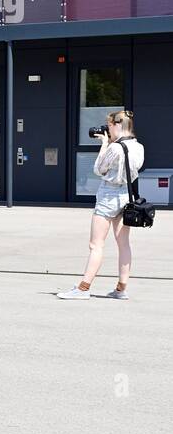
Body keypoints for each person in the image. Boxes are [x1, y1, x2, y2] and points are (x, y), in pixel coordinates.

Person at [58, 111, 144, 300]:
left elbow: (98, 169)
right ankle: (121, 289)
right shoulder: (139, 147)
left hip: (108, 197)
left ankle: (83, 288)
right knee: (123, 244)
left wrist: (105, 144)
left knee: (96, 245)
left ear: (117, 125)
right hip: (126, 196)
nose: (108, 129)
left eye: (110, 126)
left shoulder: (115, 148)